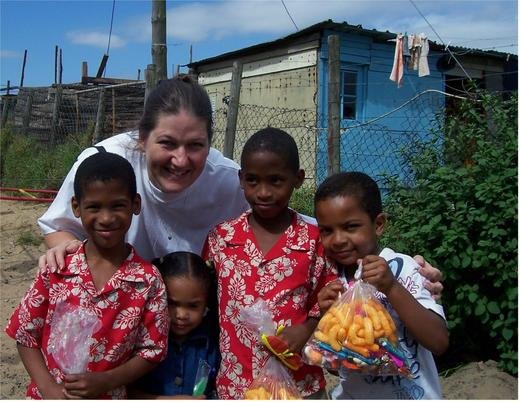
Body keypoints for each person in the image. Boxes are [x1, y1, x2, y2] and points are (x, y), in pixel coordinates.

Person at [37, 75, 443, 295]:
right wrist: (67, 256)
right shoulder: (105, 165)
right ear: (142, 139)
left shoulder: (227, 178)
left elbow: (304, 229)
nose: (181, 160)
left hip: (196, 309)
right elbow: (60, 227)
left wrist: (402, 266)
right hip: (126, 301)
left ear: (210, 144)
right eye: (167, 143)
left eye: (195, 145)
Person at [4, 152, 169, 399]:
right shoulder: (57, 268)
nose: (106, 218)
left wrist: (107, 381)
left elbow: (152, 351)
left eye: (117, 205)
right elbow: (25, 334)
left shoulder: (147, 281)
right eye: (94, 207)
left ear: (135, 204)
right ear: (76, 207)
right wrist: (48, 388)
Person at [202, 127, 338, 399]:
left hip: (298, 385)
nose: (263, 192)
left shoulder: (312, 241)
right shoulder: (222, 239)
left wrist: (306, 330)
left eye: (276, 181)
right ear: (241, 179)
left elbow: (331, 301)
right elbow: (203, 297)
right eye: (253, 180)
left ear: (297, 179)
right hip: (237, 384)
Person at [314, 171, 449, 399]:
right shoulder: (332, 281)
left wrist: (391, 287)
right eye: (327, 230)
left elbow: (438, 341)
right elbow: (335, 366)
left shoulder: (402, 268)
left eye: (350, 227)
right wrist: (326, 319)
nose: (337, 240)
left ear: (378, 224)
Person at [129, 251, 219, 399]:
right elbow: (125, 392)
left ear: (206, 304)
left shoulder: (214, 342)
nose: (181, 315)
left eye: (193, 306)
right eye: (172, 304)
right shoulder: (142, 340)